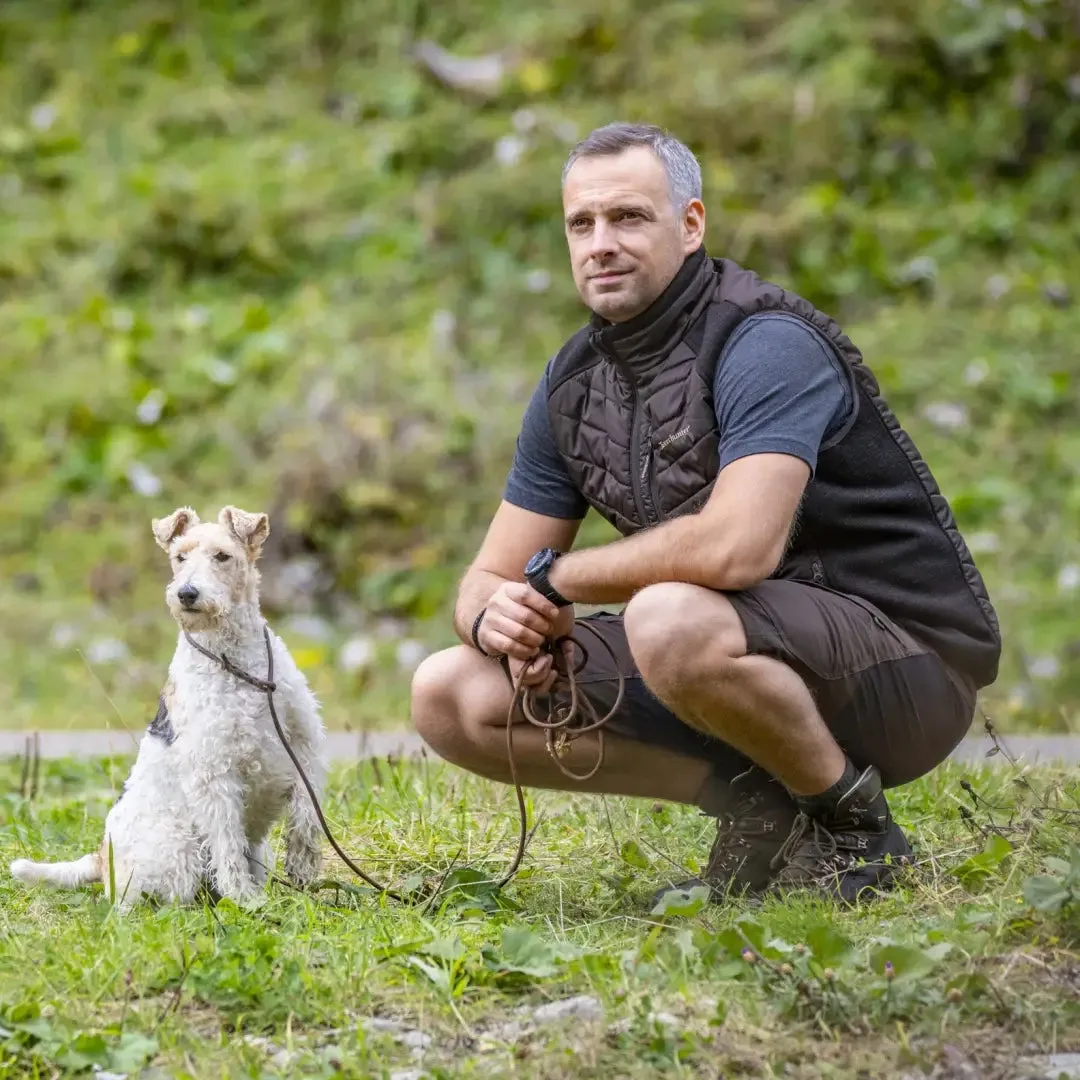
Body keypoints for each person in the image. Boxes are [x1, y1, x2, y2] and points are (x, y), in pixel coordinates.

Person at [409, 122, 1002, 905]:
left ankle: (857, 829)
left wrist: (557, 581)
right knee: (451, 694)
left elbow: (736, 550)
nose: (601, 244)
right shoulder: (572, 384)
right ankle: (759, 809)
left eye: (628, 217)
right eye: (581, 224)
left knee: (669, 618)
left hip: (905, 665)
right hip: (728, 646)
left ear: (690, 226)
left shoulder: (765, 341)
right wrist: (500, 619)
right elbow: (488, 575)